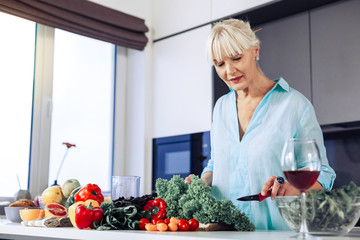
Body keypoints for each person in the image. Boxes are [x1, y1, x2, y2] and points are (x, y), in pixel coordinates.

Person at [185, 18, 336, 230]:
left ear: (255, 50)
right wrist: (202, 182)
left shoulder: (295, 106)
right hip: (223, 234)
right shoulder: (221, 108)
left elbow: (324, 176)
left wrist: (290, 187)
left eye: (236, 58)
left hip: (275, 233)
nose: (229, 71)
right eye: (220, 64)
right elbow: (215, 164)